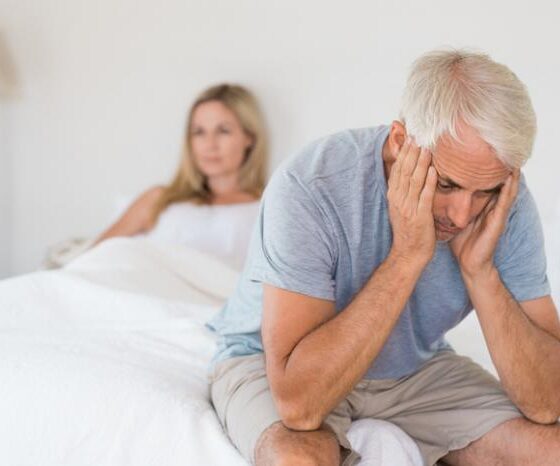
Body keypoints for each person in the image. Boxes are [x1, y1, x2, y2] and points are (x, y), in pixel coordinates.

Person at [207, 49, 560, 466]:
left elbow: (547, 403)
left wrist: (480, 273)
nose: (463, 215)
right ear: (400, 142)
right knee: (297, 459)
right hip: (275, 364)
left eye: (483, 191)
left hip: (412, 370)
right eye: (446, 184)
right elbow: (299, 406)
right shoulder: (310, 186)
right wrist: (407, 256)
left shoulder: (505, 201)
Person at [94, 83, 268, 270]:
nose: (210, 144)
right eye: (199, 132)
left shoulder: (267, 208)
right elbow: (94, 257)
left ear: (249, 137)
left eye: (223, 131)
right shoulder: (160, 199)